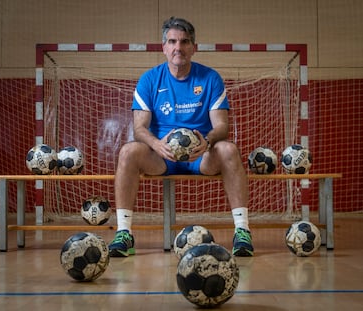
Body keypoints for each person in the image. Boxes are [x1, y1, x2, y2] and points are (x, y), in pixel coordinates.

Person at [108, 17, 254, 257]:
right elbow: (139, 129)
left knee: (228, 149)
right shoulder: (149, 80)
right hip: (162, 157)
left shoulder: (210, 78)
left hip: (201, 156)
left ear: (194, 47)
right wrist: (157, 144)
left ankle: (242, 231)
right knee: (128, 151)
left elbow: (221, 127)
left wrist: (206, 142)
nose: (179, 47)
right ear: (164, 47)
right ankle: (124, 233)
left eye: (185, 42)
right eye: (172, 41)